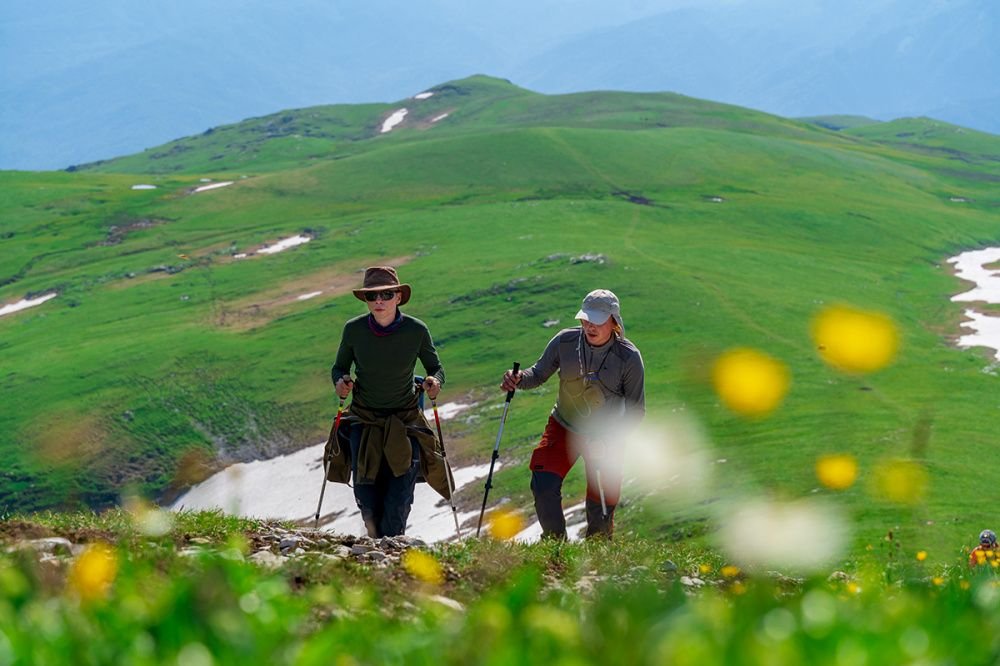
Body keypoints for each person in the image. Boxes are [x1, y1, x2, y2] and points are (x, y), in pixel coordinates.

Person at [501, 289, 645, 539]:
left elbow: (636, 411)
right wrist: (518, 379)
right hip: (564, 424)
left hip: (606, 435)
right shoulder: (564, 341)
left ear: (614, 322)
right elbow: (536, 374)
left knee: (601, 500)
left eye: (597, 321)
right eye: (586, 319)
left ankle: (598, 553)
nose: (589, 325)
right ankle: (555, 546)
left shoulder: (629, 358)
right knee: (543, 482)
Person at [323, 266, 452, 538]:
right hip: (364, 420)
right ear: (366, 300)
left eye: (386, 294)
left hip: (404, 421)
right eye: (372, 296)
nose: (379, 301)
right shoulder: (354, 330)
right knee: (366, 496)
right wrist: (341, 381)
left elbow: (436, 367)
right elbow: (339, 368)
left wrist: (434, 381)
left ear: (398, 297)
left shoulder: (416, 330)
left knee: (399, 496)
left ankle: (392, 551)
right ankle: (376, 551)